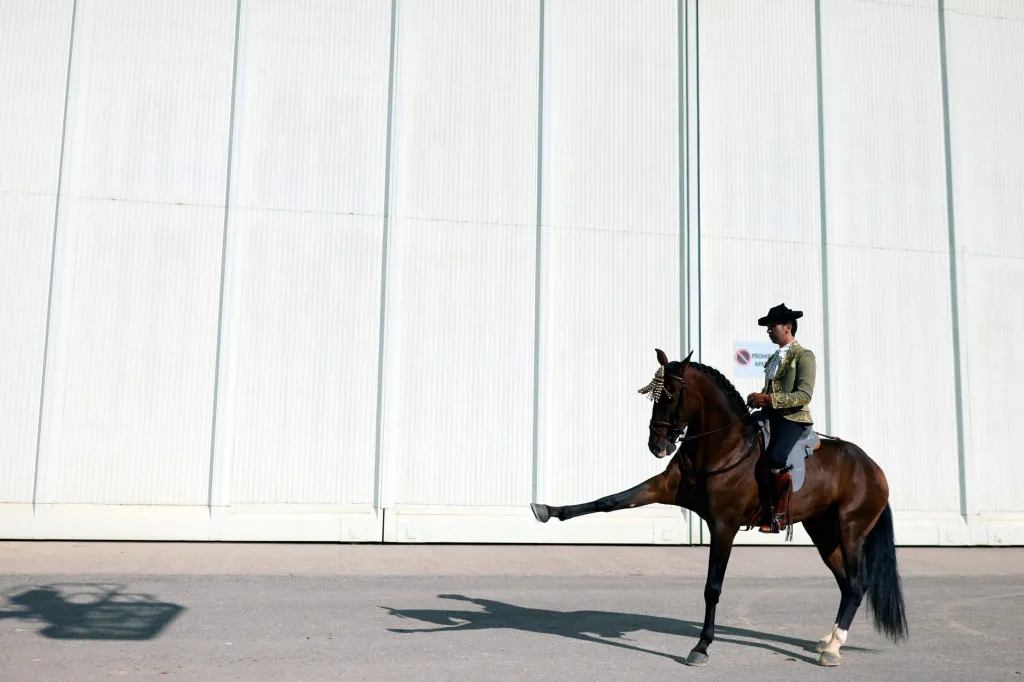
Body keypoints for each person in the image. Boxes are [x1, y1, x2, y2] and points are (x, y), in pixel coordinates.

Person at [746, 303, 817, 534]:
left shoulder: (803, 356)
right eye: (767, 327)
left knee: (776, 457)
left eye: (771, 326)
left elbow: (804, 394)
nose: (768, 330)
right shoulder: (773, 359)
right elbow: (770, 390)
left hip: (793, 418)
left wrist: (770, 400)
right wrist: (758, 398)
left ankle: (778, 514)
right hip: (769, 415)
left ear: (787, 328)